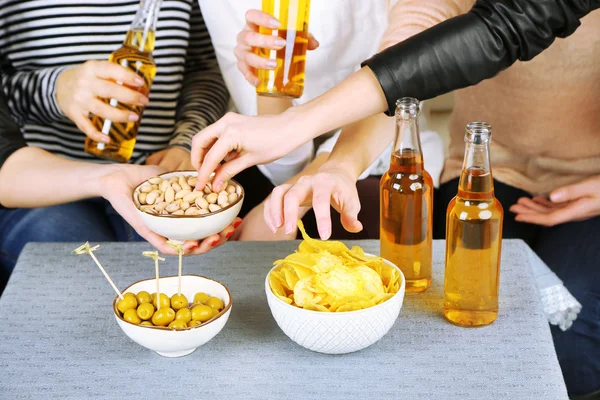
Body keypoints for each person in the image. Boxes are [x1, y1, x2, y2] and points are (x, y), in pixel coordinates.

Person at [191, 0, 600, 397]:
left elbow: (505, 25)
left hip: (592, 180)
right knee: (441, 329)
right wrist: (340, 166)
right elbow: (407, 63)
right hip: (481, 176)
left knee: (570, 349)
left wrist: (297, 124)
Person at [0, 1, 240, 287]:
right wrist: (57, 89)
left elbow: (204, 69)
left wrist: (187, 142)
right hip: (43, 186)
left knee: (192, 283)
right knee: (91, 281)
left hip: (157, 180)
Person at [198, 0, 444, 241]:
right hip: (282, 163)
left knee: (370, 212)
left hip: (382, 145)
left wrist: (323, 171)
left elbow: (406, 75)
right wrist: (268, 84)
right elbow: (278, 160)